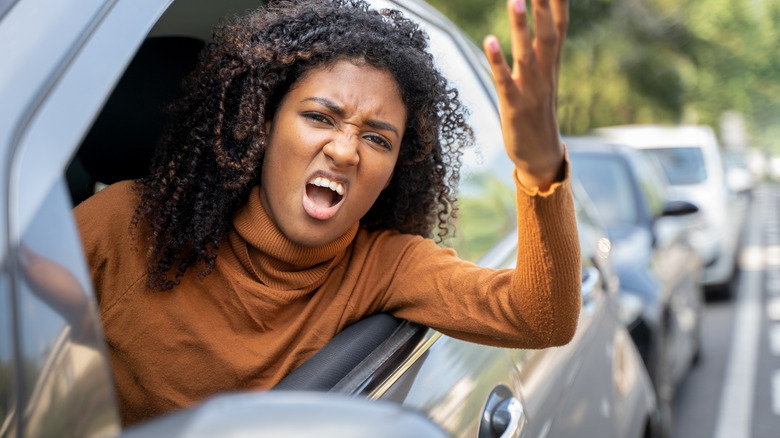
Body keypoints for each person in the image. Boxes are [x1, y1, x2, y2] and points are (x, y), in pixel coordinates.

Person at [74, 0, 581, 426]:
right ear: (262, 124)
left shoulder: (383, 268)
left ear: (393, 172)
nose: (344, 151)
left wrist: (540, 171)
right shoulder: (126, 224)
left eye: (377, 138)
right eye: (319, 117)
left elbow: (542, 316)